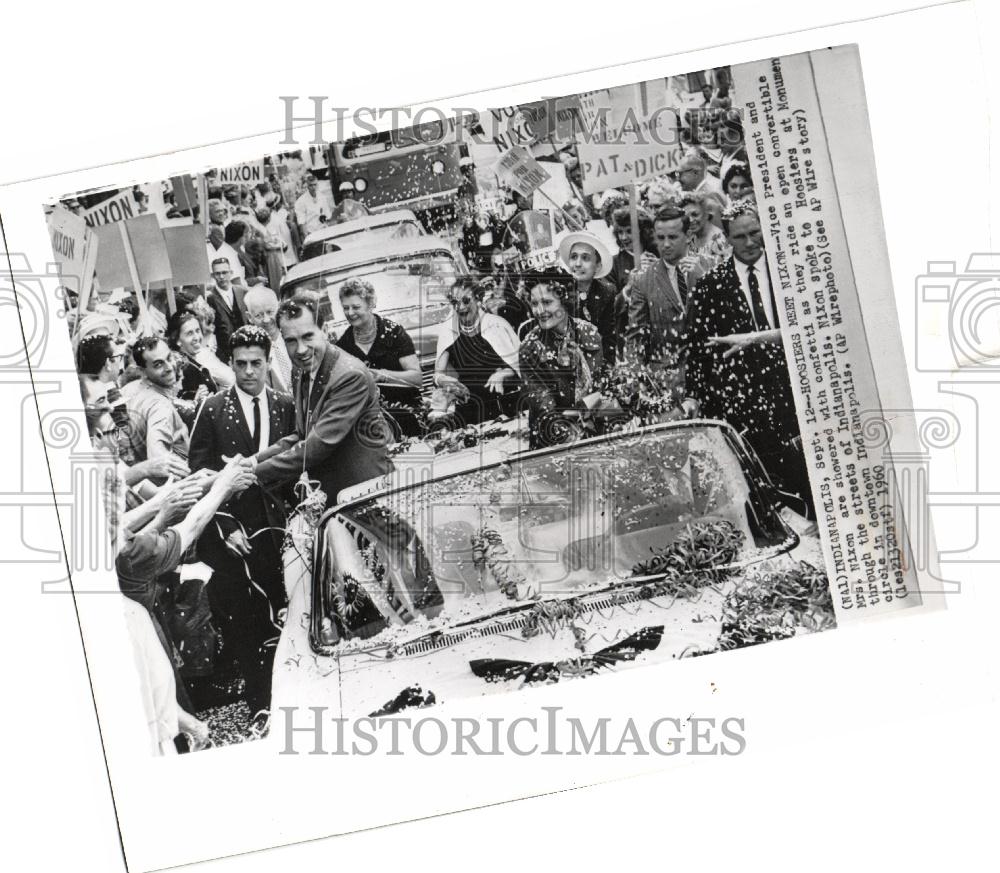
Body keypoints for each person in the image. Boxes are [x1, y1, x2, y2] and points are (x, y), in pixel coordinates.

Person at [189, 326, 297, 722]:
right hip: (236, 536)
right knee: (247, 624)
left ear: (269, 362)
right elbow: (198, 474)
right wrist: (222, 523)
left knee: (290, 612)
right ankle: (260, 706)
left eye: (256, 363)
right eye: (240, 364)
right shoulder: (214, 410)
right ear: (230, 365)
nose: (249, 372)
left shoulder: (286, 405)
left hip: (282, 531)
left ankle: (297, 695)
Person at [684, 201, 811, 516]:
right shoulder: (711, 286)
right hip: (748, 400)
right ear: (727, 238)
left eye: (755, 233)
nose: (751, 242)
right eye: (741, 237)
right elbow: (699, 351)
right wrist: (695, 396)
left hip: (797, 388)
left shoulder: (791, 272)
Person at [251, 295, 393, 504]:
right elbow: (302, 434)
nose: (300, 349)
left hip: (370, 494)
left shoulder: (350, 376)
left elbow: (316, 446)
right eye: (291, 341)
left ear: (325, 331)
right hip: (336, 496)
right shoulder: (300, 371)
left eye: (308, 336)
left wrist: (252, 474)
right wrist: (253, 460)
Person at [625, 207, 705, 391]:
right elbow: (636, 338)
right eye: (661, 238)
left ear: (688, 235)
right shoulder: (644, 279)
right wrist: (637, 381)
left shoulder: (710, 267)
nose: (666, 244)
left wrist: (704, 278)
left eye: (673, 237)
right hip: (666, 382)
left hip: (710, 373)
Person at [519, 276, 604, 449]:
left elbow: (603, 387)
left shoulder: (589, 332)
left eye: (547, 302)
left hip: (597, 432)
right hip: (555, 444)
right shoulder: (530, 348)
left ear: (564, 300)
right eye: (535, 304)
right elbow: (545, 410)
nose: (540, 310)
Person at [334, 278, 423, 437]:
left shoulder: (394, 333)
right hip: (369, 427)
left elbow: (417, 378)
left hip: (408, 416)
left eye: (356, 307)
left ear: (370, 304)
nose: (350, 313)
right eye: (346, 308)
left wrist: (380, 375)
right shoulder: (342, 346)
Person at [434, 277, 521, 426]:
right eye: (455, 303)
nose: (460, 307)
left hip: (509, 404)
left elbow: (522, 366)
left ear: (478, 299)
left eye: (466, 301)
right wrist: (442, 380)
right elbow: (437, 374)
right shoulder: (448, 331)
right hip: (471, 411)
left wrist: (503, 373)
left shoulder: (497, 325)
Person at [121, 336, 191, 471]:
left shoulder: (127, 389)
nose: (169, 367)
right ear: (142, 371)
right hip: (167, 486)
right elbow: (159, 460)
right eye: (158, 364)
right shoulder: (160, 407)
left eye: (169, 358)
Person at [557, 230, 618, 364]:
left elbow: (608, 337)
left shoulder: (606, 292)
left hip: (596, 360)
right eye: (574, 257)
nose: (578, 264)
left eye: (585, 258)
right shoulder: (559, 290)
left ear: (597, 266)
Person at [244, 285, 294, 393]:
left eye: (270, 312)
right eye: (259, 315)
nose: (266, 320)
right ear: (249, 317)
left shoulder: (296, 337)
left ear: (279, 307)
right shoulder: (251, 355)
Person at [206, 257, 249, 365]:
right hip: (226, 354)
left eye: (224, 272)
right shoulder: (210, 298)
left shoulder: (242, 292)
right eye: (217, 273)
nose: (221, 277)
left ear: (231, 273)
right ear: (212, 276)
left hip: (248, 346)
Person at [679, 190, 730, 270]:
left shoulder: (719, 240)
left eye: (695, 214)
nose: (691, 220)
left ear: (706, 214)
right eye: (687, 217)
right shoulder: (692, 237)